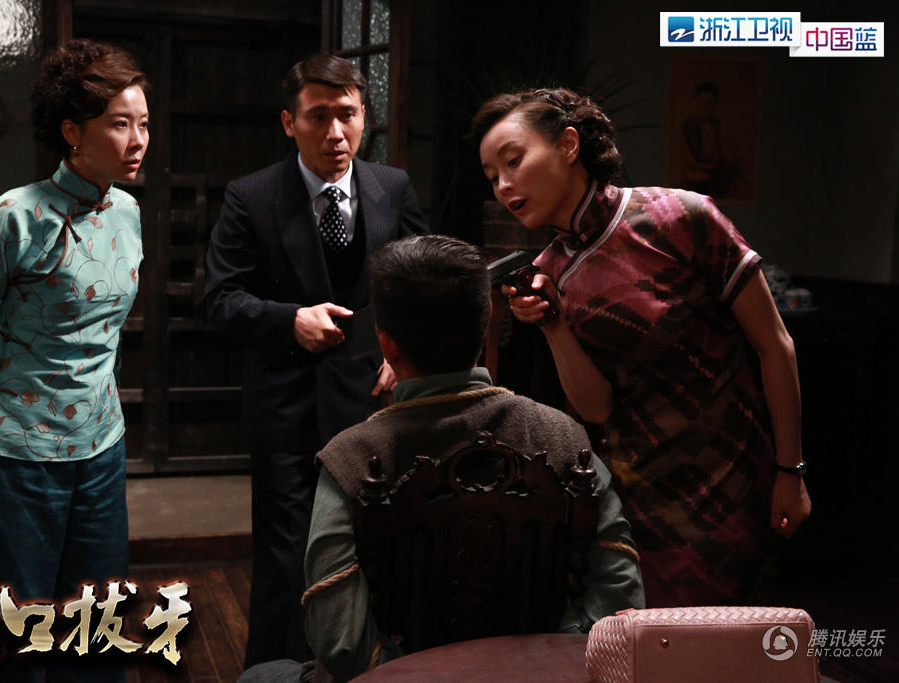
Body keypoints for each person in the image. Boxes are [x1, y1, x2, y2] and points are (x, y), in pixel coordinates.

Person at [474, 87, 811, 607]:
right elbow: (596, 408)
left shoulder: (680, 217)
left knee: (728, 642)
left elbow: (775, 345)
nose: (503, 184)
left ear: (568, 145)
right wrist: (553, 326)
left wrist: (791, 472)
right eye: (492, 175)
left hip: (732, 482)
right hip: (635, 503)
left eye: (513, 161)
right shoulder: (547, 272)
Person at [295, 235, 643, 681]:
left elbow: (340, 641)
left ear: (387, 345)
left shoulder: (352, 458)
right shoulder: (564, 439)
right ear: (485, 323)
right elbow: (620, 600)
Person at [0, 39, 149, 679]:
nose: (138, 140)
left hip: (100, 449)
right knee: (12, 633)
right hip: (16, 454)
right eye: (120, 124)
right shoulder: (11, 217)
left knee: (95, 624)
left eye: (143, 123)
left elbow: (103, 335)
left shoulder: (128, 212)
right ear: (73, 132)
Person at [204, 54, 427, 666]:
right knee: (287, 556)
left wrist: (403, 352)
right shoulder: (251, 195)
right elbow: (220, 299)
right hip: (286, 407)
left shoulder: (392, 187)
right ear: (289, 122)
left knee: (374, 546)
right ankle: (276, 673)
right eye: (318, 116)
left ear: (365, 117)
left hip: (374, 401)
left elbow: (421, 282)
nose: (335, 132)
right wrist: (289, 320)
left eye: (347, 115)